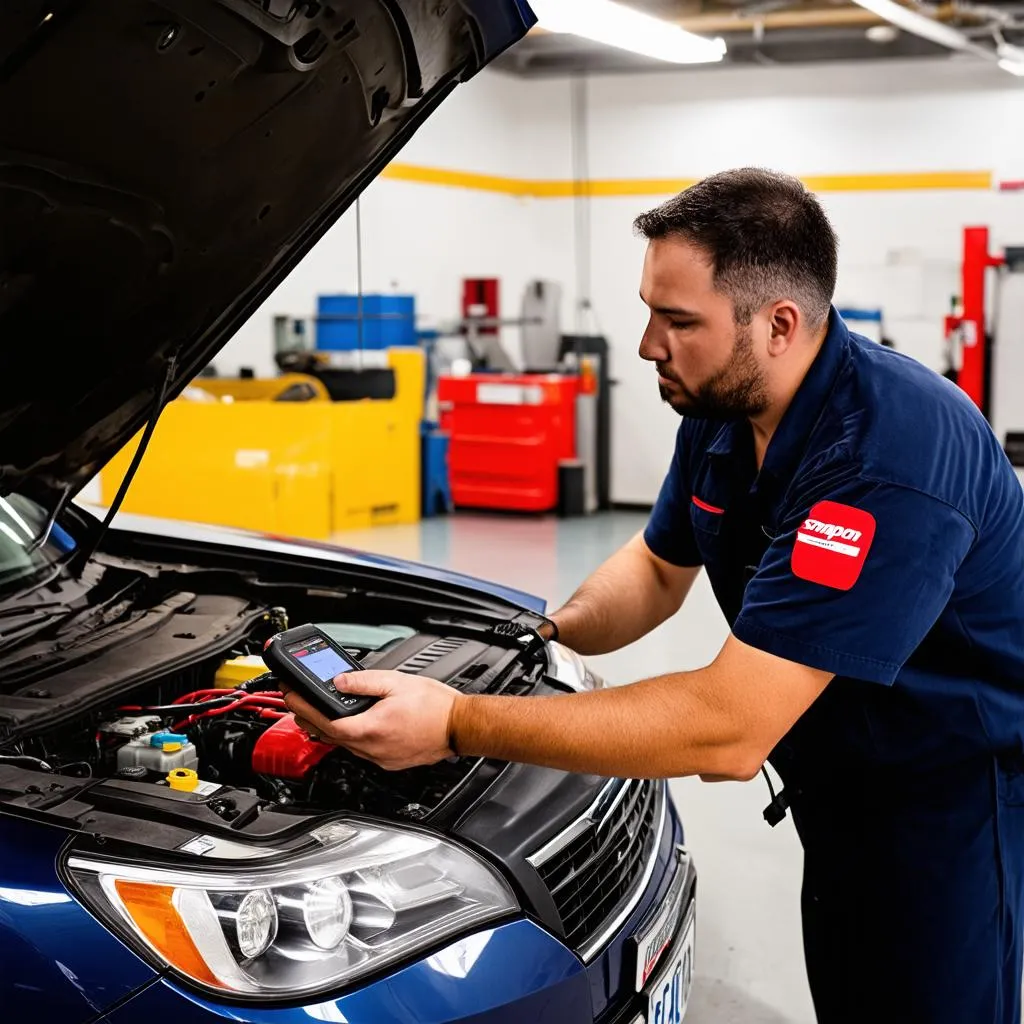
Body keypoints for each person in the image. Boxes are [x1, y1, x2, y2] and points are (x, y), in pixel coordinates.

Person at [281, 168, 1024, 1024]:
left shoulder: (889, 459)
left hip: (943, 803)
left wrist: (455, 722)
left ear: (779, 325)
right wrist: (541, 634)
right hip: (836, 779)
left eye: (678, 322)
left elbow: (728, 727)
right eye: (649, 310)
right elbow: (656, 569)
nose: (646, 345)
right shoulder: (722, 409)